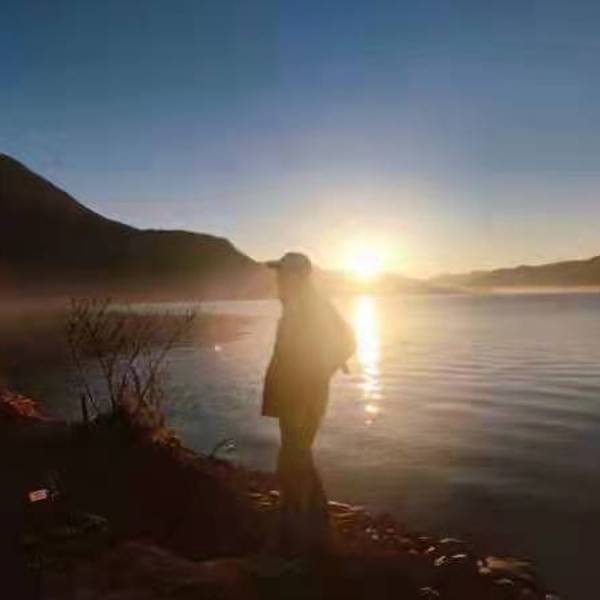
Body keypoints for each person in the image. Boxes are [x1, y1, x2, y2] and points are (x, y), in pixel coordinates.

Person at [263, 252, 356, 556]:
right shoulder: (296, 304)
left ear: (298, 276)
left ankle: (300, 525)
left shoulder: (312, 306)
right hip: (293, 393)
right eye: (278, 272)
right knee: (297, 453)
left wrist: (320, 371)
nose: (278, 278)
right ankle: (312, 519)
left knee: (293, 455)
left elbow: (348, 341)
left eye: (283, 273)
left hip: (302, 395)